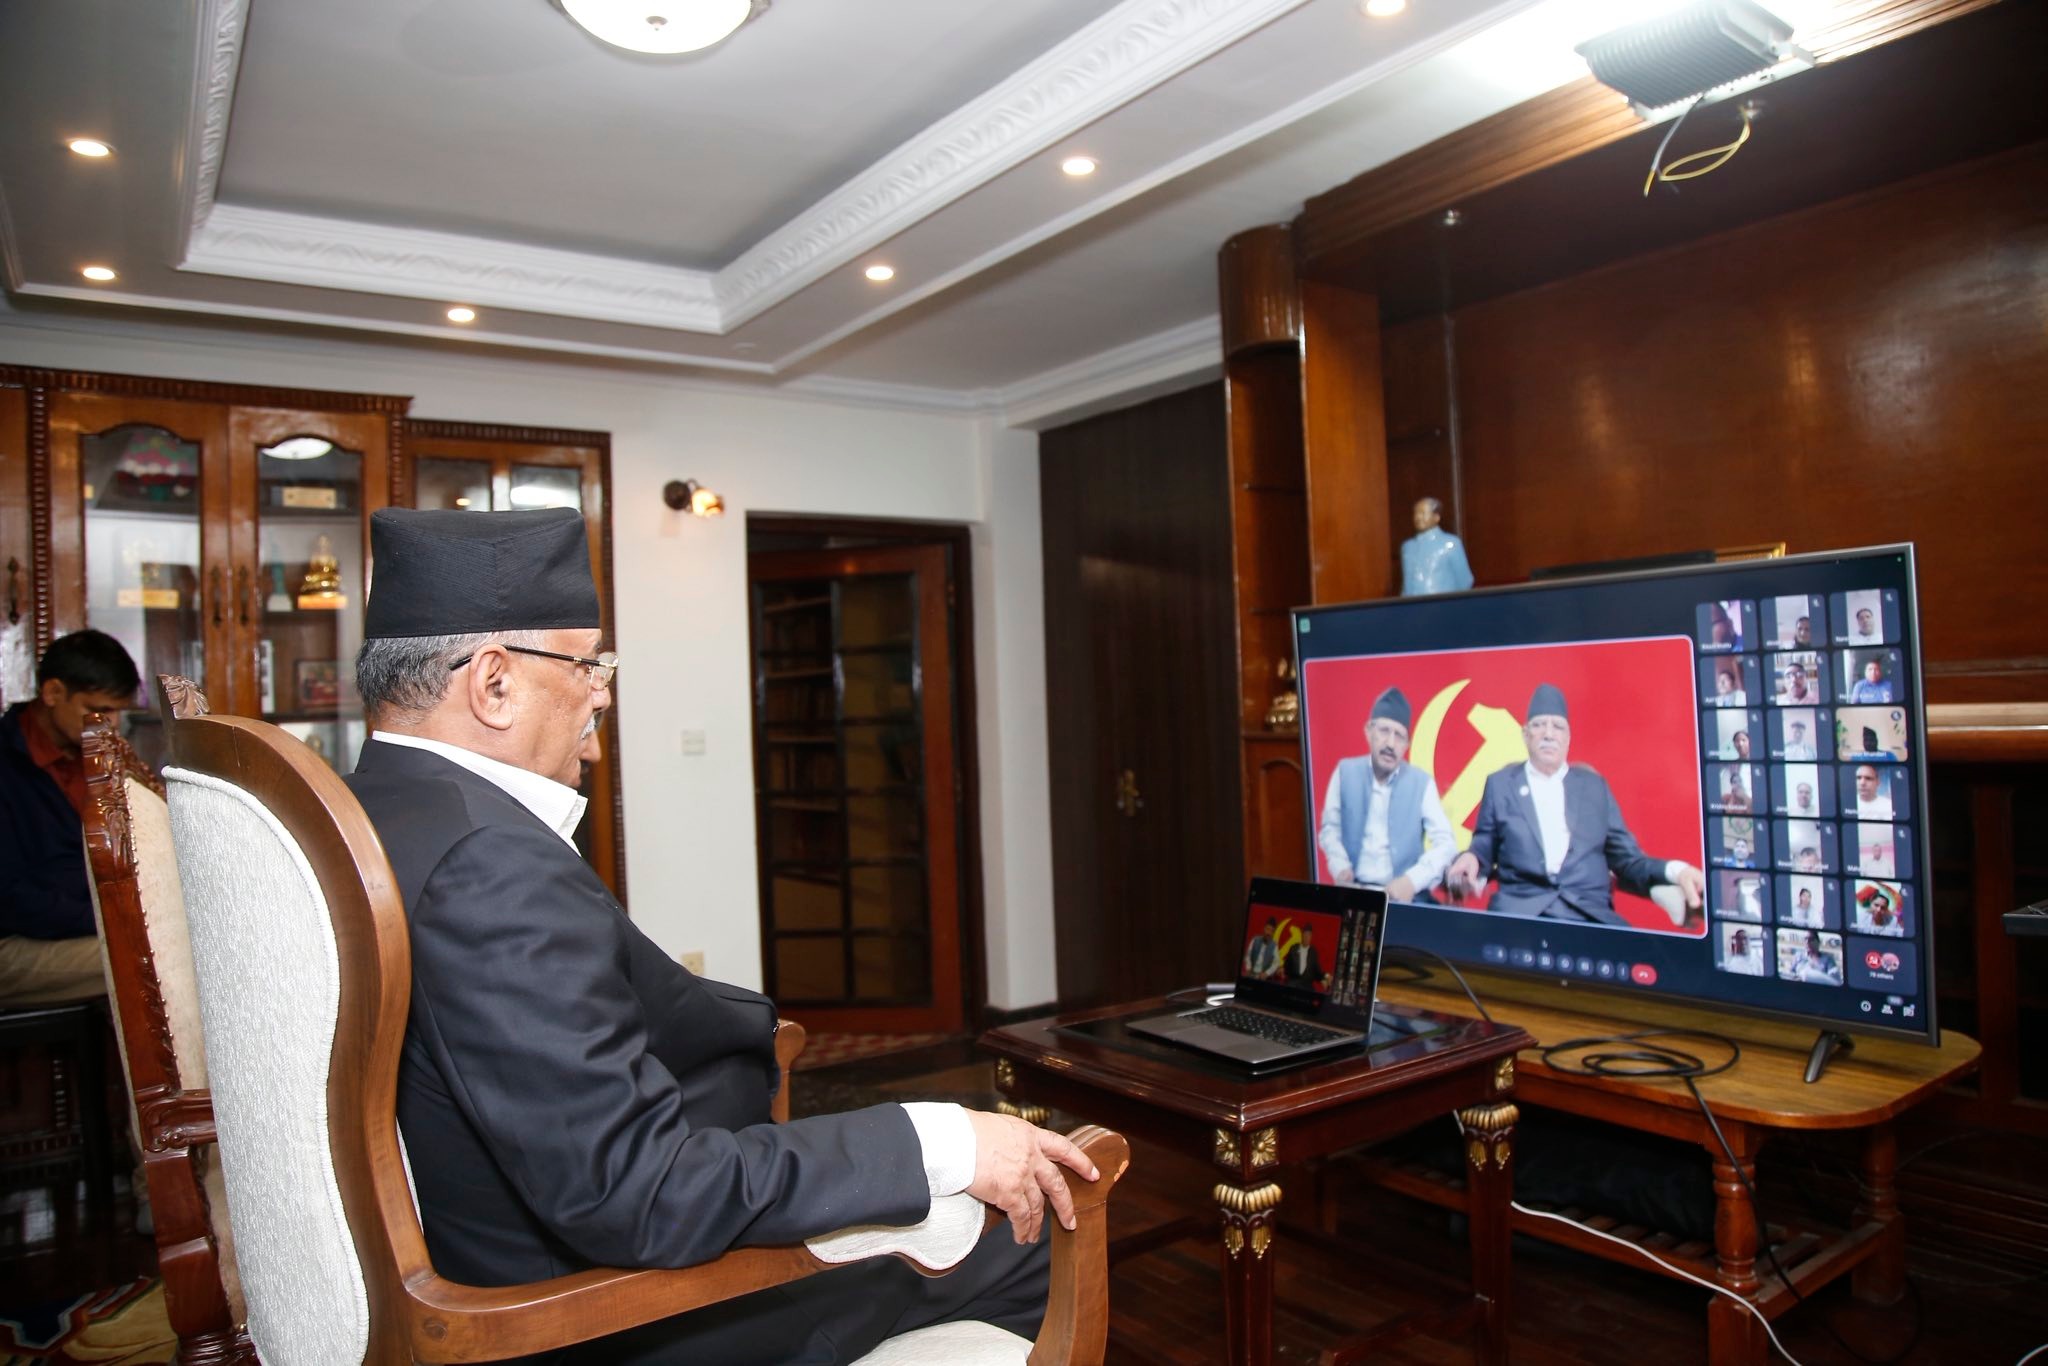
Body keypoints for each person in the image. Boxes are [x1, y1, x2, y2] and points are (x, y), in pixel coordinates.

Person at [342, 508, 1093, 1365]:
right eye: (587, 663)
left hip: (495, 1247)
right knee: (1022, 1242)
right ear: (494, 683)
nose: (602, 693)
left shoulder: (379, 807)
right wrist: (941, 1141)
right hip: (589, 1315)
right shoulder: (489, 864)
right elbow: (643, 1193)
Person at [1445, 684, 1704, 925]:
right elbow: (1483, 845)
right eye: (1539, 725)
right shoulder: (1501, 784)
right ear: (1525, 734)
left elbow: (1627, 859)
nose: (1548, 734)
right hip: (1521, 915)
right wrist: (1470, 858)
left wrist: (1677, 871)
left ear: (1568, 737)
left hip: (1588, 915)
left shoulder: (1594, 787)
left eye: (1557, 727)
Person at [1, 630, 160, 1005]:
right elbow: (12, 900)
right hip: (16, 940)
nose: (111, 724)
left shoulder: (95, 755)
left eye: (117, 712)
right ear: (53, 692)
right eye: (99, 709)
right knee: (157, 962)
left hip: (90, 927)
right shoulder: (6, 766)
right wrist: (120, 918)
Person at [1315, 687, 1457, 900]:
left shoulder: (1421, 783)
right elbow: (1329, 829)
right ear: (1368, 731)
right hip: (1354, 892)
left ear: (1407, 744)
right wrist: (1340, 866)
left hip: (1404, 898)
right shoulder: (1345, 772)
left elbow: (1446, 843)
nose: (1390, 744)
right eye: (1384, 731)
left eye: (1399, 736)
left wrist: (1412, 880)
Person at [1399, 497, 1474, 597]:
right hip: (1411, 604)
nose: (1418, 517)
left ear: (1436, 517)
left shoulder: (1451, 544)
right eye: (1416, 513)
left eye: (1423, 513)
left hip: (1443, 603)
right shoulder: (1407, 547)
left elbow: (1464, 581)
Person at [1281, 924, 1325, 989]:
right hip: (1293, 982)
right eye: (1305, 934)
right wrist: (1282, 970)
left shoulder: (1313, 952)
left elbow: (1317, 972)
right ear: (1302, 935)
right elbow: (1286, 966)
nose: (1306, 937)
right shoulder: (1294, 948)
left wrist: (1324, 978)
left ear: (1311, 937)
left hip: (1307, 985)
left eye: (1309, 935)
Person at [1241, 916, 1280, 980]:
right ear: (1264, 929)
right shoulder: (1255, 940)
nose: (1269, 933)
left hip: (1263, 976)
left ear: (1273, 933)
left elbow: (1276, 962)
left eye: (1272, 931)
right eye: (1268, 929)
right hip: (1251, 972)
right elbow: (1248, 955)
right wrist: (1248, 968)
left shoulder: (1274, 946)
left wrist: (1267, 973)